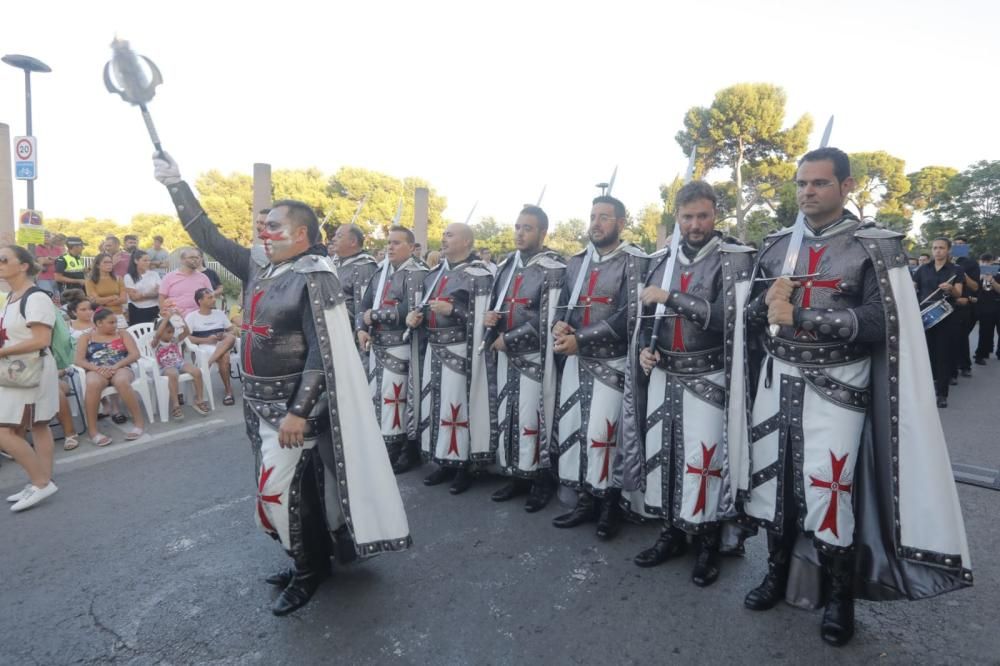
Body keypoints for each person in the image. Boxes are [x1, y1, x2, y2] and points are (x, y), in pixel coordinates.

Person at [154, 152, 410, 616]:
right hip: (257, 404)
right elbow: (206, 235)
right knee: (298, 493)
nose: (263, 232)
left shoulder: (315, 277)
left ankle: (310, 572)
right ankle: (309, 561)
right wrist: (176, 185)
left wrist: (299, 412)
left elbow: (323, 352)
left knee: (280, 495)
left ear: (303, 235)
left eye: (274, 226)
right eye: (263, 225)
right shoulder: (261, 269)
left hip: (292, 411)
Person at [742, 148, 971, 646]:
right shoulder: (777, 245)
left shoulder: (874, 246)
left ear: (846, 187)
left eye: (820, 183)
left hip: (839, 389)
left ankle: (839, 598)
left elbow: (879, 323)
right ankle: (775, 574)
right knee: (774, 484)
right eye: (802, 183)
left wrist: (800, 316)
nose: (807, 192)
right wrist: (764, 305)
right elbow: (752, 320)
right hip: (776, 382)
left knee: (831, 491)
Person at [622, 181, 754, 586]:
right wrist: (647, 348)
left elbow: (728, 319)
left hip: (710, 375)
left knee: (706, 461)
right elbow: (648, 318)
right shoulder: (662, 259)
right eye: (687, 217)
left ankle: (709, 541)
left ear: (716, 214)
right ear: (677, 218)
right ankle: (672, 532)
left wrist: (671, 296)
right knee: (666, 457)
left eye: (702, 216)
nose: (695, 225)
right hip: (665, 373)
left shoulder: (736, 258)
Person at [551, 195, 648, 540]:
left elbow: (628, 316)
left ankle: (610, 504)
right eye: (593, 216)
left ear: (621, 223)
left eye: (604, 217)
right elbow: (567, 305)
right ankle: (584, 500)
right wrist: (560, 326)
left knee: (604, 436)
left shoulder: (636, 261)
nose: (596, 223)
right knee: (576, 433)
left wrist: (583, 338)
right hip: (577, 361)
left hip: (612, 362)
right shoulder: (576, 262)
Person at [483, 206, 564, 511]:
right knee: (511, 418)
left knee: (535, 419)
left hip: (535, 359)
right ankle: (517, 474)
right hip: (506, 357)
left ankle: (542, 478)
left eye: (527, 228)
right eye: (517, 226)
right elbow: (497, 305)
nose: (519, 232)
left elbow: (548, 318)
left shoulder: (554, 268)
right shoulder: (506, 266)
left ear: (543, 232)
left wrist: (510, 338)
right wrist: (490, 320)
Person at [407, 223, 493, 495]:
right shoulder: (435, 274)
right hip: (433, 349)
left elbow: (485, 321)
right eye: (443, 234)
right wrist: (415, 318)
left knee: (459, 407)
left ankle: (464, 465)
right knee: (438, 408)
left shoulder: (480, 275)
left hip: (461, 351)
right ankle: (444, 460)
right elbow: (423, 308)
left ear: (467, 241)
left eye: (450, 235)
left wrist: (453, 309)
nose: (443, 239)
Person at [358, 227, 427, 473]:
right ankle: (382, 444)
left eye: (396, 243)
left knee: (398, 400)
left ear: (410, 246)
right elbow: (363, 306)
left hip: (401, 346)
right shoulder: (380, 272)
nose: (390, 247)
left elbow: (410, 311)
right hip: (376, 345)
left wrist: (373, 315)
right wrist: (361, 328)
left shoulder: (418, 274)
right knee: (379, 399)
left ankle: (404, 449)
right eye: (388, 242)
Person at [0, 245, 60, 512]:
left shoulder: (35, 297)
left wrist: (3, 351)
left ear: (23, 265)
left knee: (5, 431)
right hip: (17, 370)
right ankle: (41, 482)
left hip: (31, 369)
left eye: (4, 259)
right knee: (39, 425)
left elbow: (41, 340)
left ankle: (40, 482)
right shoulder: (11, 298)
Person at [74, 307, 146, 445]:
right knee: (93, 383)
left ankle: (139, 422)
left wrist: (116, 366)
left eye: (115, 322)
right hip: (96, 369)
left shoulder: (123, 334)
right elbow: (79, 360)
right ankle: (93, 431)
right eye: (111, 322)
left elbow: (135, 354)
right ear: (99, 323)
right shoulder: (86, 337)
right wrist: (98, 369)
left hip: (120, 366)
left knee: (121, 381)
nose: (115, 325)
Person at [913, 238, 965, 407]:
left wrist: (951, 289)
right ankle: (928, 388)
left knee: (943, 355)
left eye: (941, 248)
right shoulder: (922, 269)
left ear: (948, 250)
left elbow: (958, 294)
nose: (937, 251)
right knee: (926, 354)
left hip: (945, 317)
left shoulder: (956, 270)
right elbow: (913, 288)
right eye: (935, 248)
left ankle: (942, 394)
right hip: (924, 316)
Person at [330, 223, 378, 356]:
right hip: (336, 334)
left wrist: (360, 330)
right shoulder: (336, 264)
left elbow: (363, 305)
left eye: (339, 236)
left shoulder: (364, 266)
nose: (334, 239)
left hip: (352, 339)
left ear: (353, 242)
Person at [152, 310, 209, 419]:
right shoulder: (156, 342)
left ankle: (199, 400)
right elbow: (158, 333)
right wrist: (167, 318)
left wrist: (181, 317)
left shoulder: (174, 340)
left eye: (172, 331)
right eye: (168, 332)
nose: (171, 334)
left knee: (196, 371)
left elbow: (187, 332)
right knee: (173, 374)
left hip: (179, 363)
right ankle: (175, 405)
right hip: (165, 367)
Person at [185, 287, 237, 405]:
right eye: (210, 298)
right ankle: (228, 391)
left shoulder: (219, 314)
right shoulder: (192, 317)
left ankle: (208, 363)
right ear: (200, 301)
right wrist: (206, 340)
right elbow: (187, 337)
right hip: (203, 347)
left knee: (231, 338)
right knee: (224, 356)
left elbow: (232, 330)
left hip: (222, 343)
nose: (214, 300)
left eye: (214, 297)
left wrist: (224, 334)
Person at [159, 248, 213, 316]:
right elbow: (162, 297)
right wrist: (163, 312)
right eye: (192, 257)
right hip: (176, 318)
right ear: (182, 260)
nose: (195, 260)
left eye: (197, 257)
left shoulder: (203, 278)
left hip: (198, 318)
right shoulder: (169, 277)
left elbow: (211, 297)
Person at [85, 253, 127, 326]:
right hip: (101, 317)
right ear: (98, 265)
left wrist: (105, 302)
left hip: (118, 315)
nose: (109, 264)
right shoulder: (90, 281)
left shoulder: (118, 278)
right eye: (105, 262)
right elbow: (96, 301)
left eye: (110, 262)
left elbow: (124, 299)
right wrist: (113, 297)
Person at [974, 253, 1000, 363]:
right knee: (985, 331)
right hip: (984, 306)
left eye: (988, 262)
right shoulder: (976, 273)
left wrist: (992, 280)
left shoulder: (998, 274)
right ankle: (981, 354)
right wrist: (980, 279)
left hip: (998, 305)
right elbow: (974, 289)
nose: (986, 264)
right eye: (983, 261)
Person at [124, 250, 162, 325]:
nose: (148, 263)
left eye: (149, 260)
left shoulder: (154, 274)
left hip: (154, 309)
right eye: (145, 260)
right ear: (136, 261)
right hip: (137, 310)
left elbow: (160, 292)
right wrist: (152, 293)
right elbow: (134, 298)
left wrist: (142, 295)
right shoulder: (129, 277)